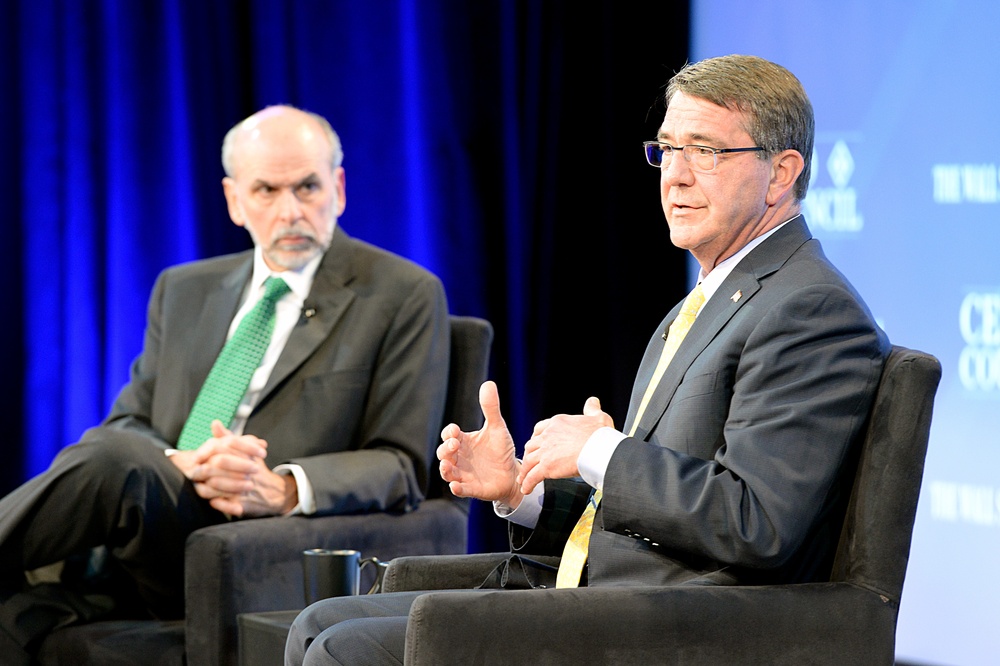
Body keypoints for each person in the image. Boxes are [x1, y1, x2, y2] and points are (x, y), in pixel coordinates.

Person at [285, 54, 890, 665]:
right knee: (318, 624)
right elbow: (657, 507)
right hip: (609, 592)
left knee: (347, 650)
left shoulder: (809, 310)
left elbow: (756, 524)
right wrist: (523, 489)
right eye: (667, 149)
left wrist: (601, 452)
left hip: (677, 624)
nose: (674, 176)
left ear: (781, 172)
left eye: (705, 152)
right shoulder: (714, 297)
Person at [0, 105, 450, 662]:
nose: (291, 211)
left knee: (112, 458)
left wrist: (282, 486)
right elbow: (130, 421)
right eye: (266, 190)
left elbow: (402, 462)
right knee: (32, 586)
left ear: (337, 187)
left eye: (307, 187)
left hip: (251, 545)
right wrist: (179, 462)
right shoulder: (184, 289)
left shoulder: (402, 294)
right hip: (147, 527)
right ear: (235, 200)